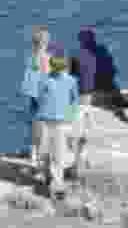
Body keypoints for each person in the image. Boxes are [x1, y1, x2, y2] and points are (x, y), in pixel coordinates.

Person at [34, 55, 79, 198]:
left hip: (60, 122)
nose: (58, 70)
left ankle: (57, 184)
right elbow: (39, 98)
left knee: (57, 154)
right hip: (46, 120)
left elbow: (74, 100)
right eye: (56, 67)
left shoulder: (70, 81)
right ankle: (48, 176)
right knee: (44, 151)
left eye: (60, 67)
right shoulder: (45, 80)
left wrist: (70, 116)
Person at [19, 26, 58, 164]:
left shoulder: (32, 58)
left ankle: (34, 154)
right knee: (44, 129)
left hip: (35, 97)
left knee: (35, 127)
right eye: (46, 39)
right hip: (44, 98)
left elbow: (28, 83)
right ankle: (39, 157)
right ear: (44, 42)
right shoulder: (47, 59)